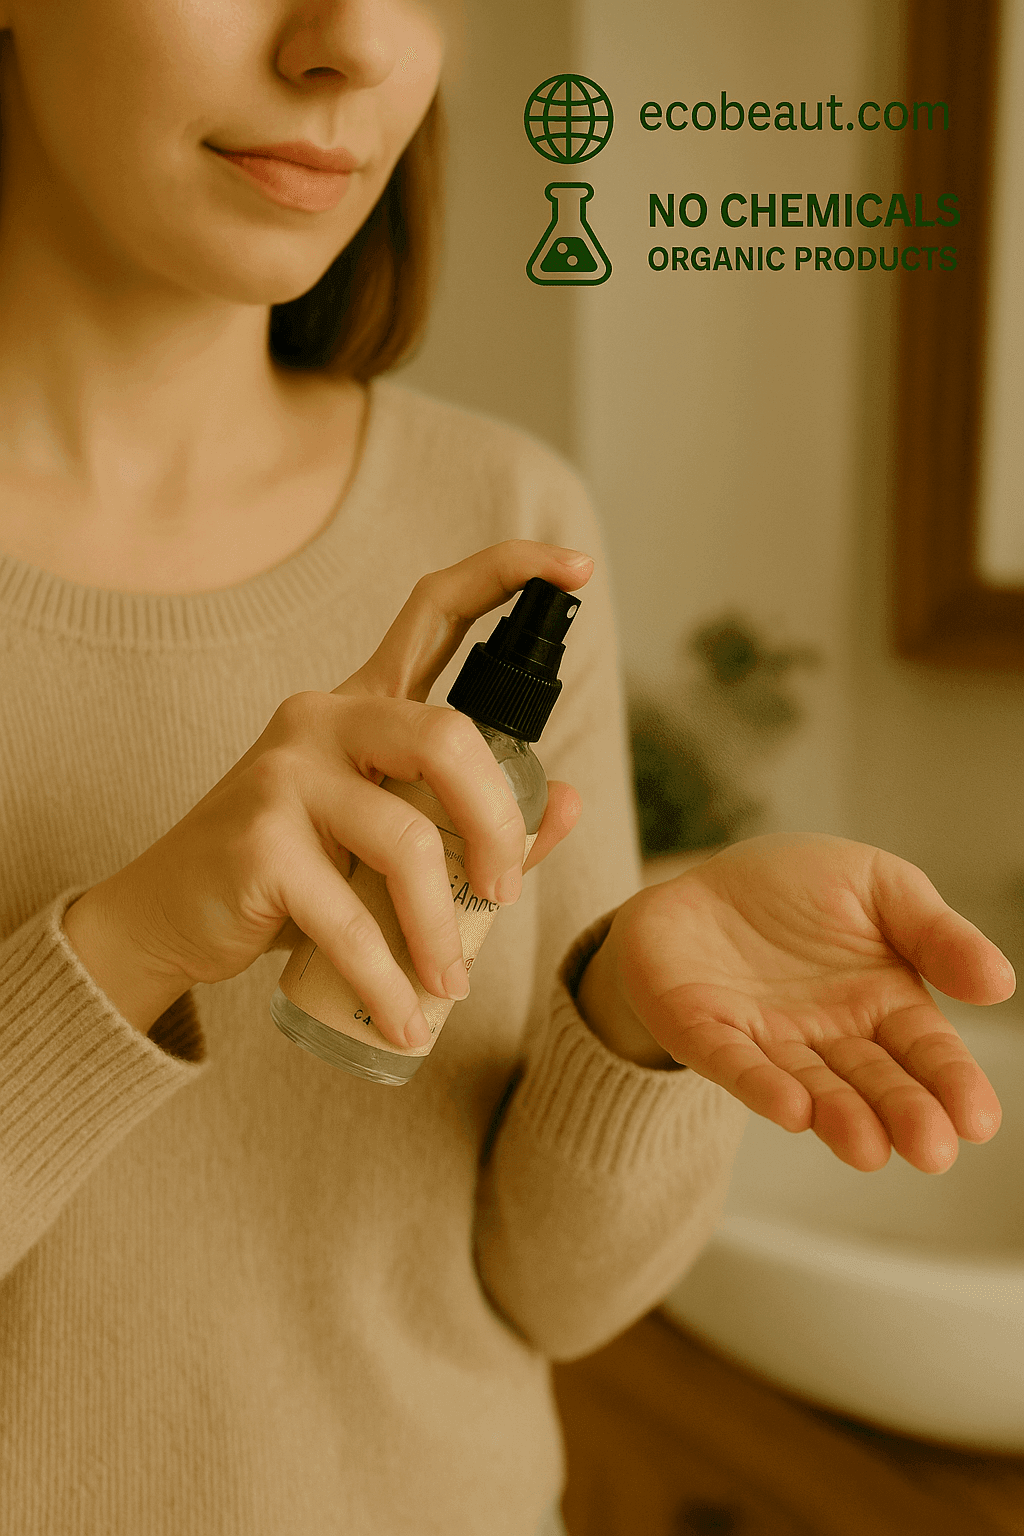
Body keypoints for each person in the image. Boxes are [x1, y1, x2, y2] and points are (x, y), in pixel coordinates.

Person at [0, 3, 1013, 1534]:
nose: (349, 45)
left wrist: (633, 1016)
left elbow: (549, 1302)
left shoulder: (500, 515)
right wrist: (129, 942)